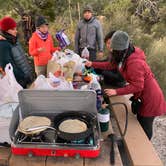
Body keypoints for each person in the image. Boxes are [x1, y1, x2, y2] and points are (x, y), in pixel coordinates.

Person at [85, 30, 166, 140]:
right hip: (142, 96)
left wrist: (116, 91)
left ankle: (144, 149)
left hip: (151, 98)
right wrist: (92, 64)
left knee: (144, 126)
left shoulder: (134, 62)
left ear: (121, 49)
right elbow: (110, 65)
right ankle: (140, 143)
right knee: (139, 122)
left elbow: (138, 86)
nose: (111, 50)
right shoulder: (124, 55)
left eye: (114, 49)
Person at [0, 17, 35, 88]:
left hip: (26, 79)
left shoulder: (15, 41)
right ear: (6, 31)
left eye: (15, 28)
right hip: (17, 84)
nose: (16, 31)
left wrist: (30, 72)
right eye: (12, 29)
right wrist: (23, 77)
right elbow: (8, 66)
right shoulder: (3, 45)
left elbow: (22, 59)